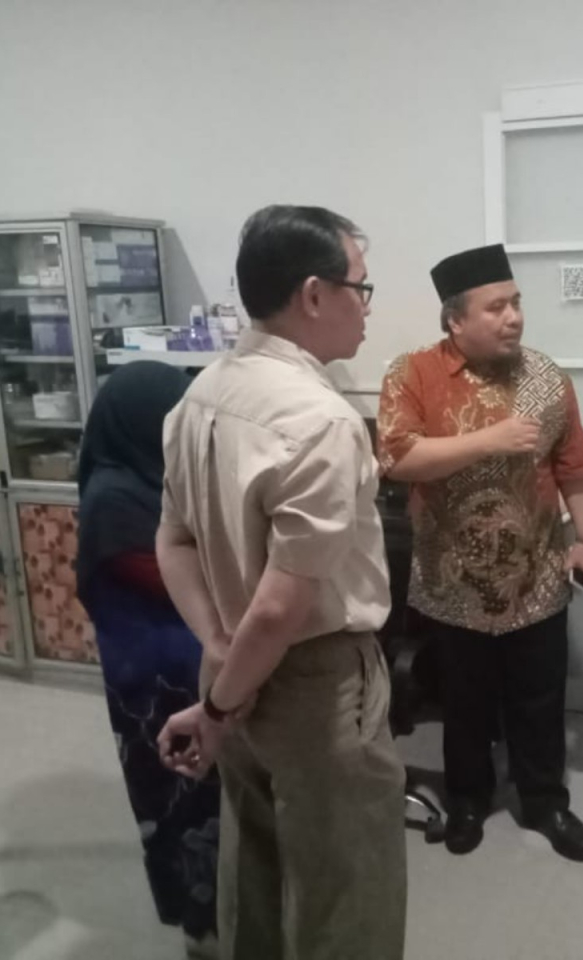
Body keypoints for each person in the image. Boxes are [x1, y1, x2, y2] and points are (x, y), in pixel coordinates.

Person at [154, 205, 406, 959]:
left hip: (230, 660)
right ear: (314, 295)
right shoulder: (321, 420)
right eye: (361, 287)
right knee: (344, 892)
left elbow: (173, 540)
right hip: (314, 682)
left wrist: (219, 658)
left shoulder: (198, 395)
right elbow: (280, 605)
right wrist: (219, 706)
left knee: (255, 867)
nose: (367, 307)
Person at [378, 243, 583, 862]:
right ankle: (469, 800)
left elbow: (574, 466)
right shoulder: (413, 373)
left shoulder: (546, 378)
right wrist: (491, 440)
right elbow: (397, 456)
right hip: (453, 578)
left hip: (537, 573)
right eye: (496, 307)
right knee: (465, 703)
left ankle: (545, 802)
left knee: (540, 697)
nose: (514, 318)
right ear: (455, 320)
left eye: (516, 304)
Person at [75, 361, 220, 958]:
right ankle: (201, 928)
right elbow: (171, 580)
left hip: (189, 666)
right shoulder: (114, 497)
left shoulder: (155, 481)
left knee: (213, 796)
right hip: (154, 684)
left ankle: (224, 912)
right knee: (179, 797)